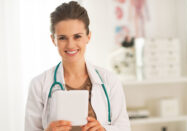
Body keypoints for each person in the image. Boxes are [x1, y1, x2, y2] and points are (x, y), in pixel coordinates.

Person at [25, 1, 130, 131]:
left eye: (77, 36)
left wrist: (104, 130)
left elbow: (124, 127)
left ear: (88, 37)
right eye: (63, 38)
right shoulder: (39, 85)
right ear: (53, 40)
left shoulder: (109, 80)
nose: (70, 45)